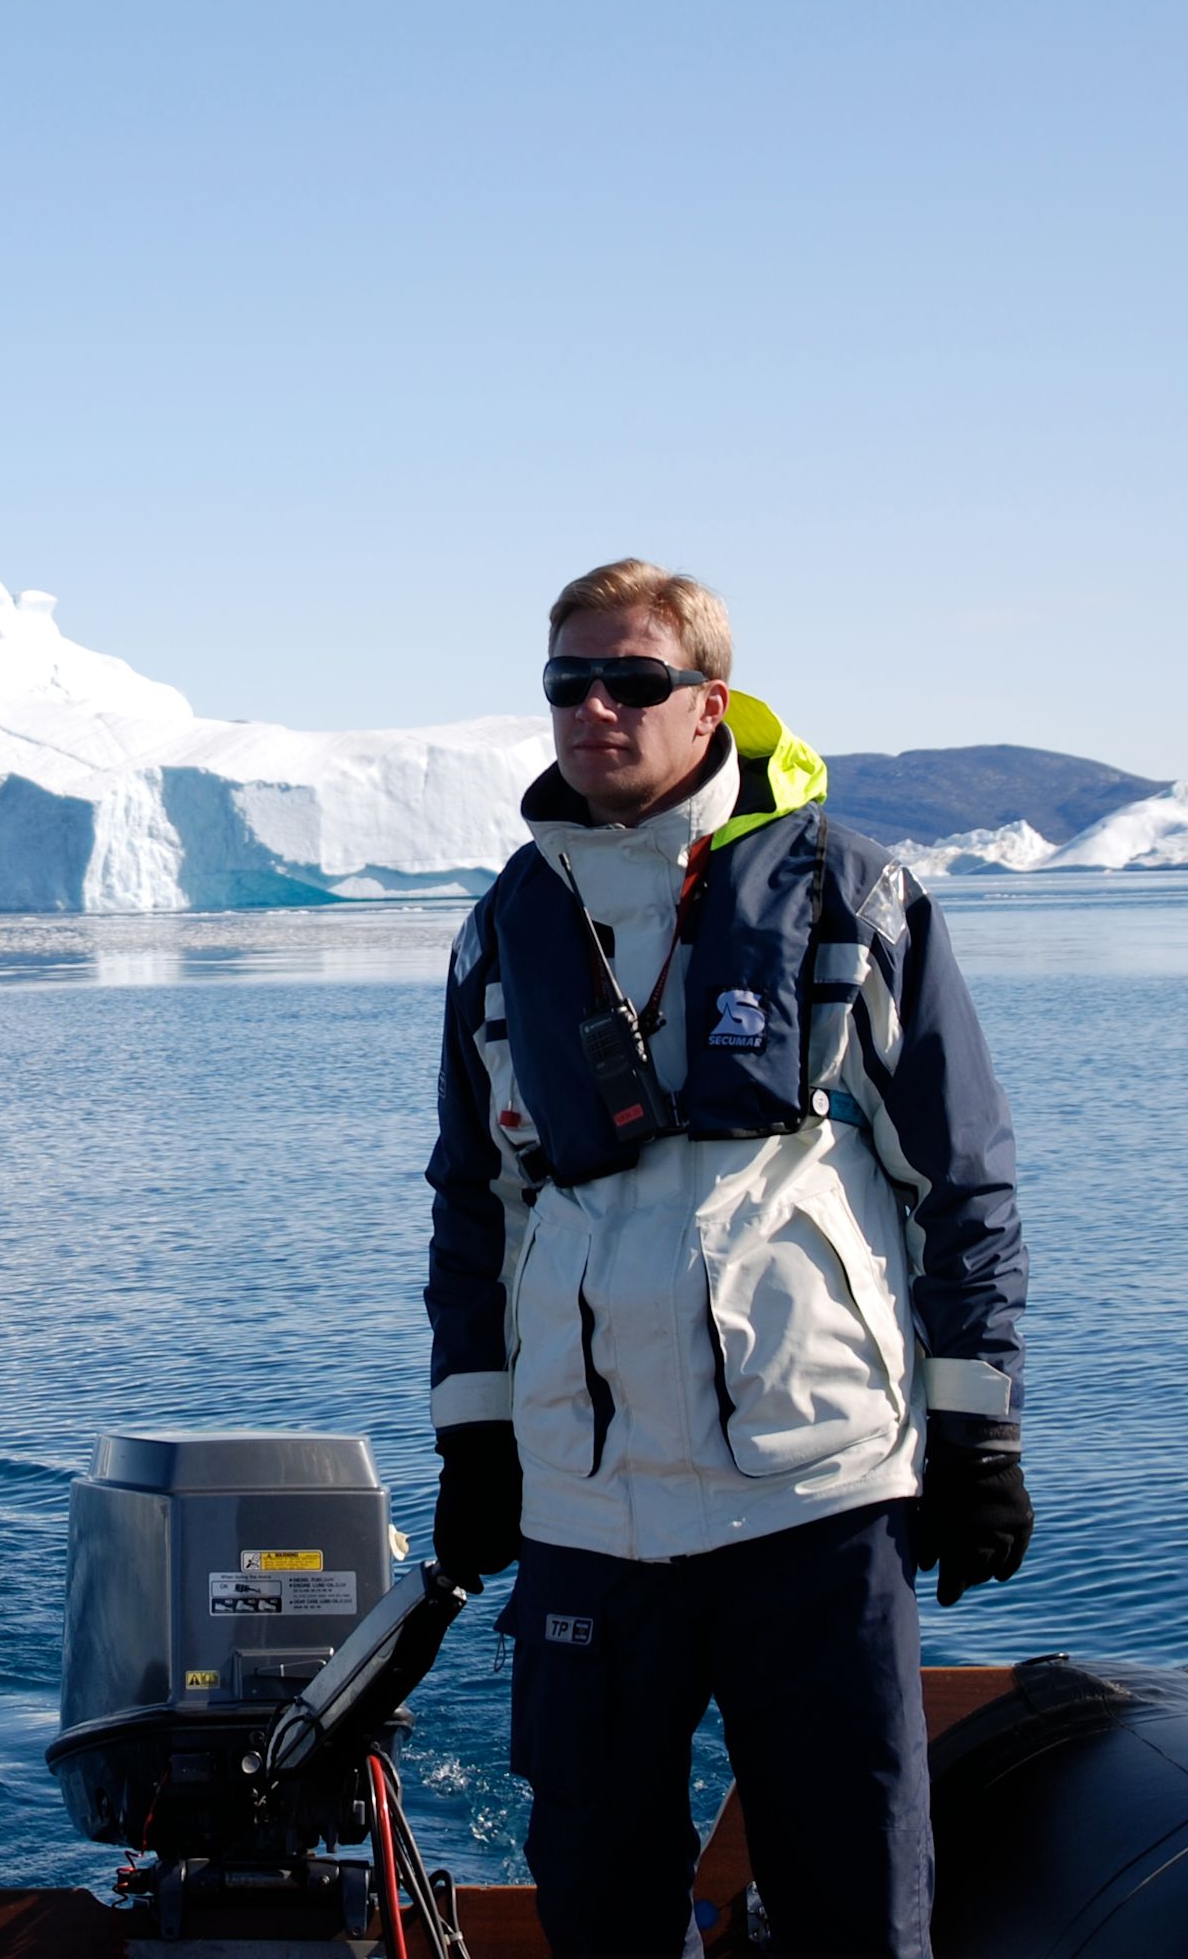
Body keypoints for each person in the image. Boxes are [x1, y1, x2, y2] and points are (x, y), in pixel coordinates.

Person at [423, 558, 1032, 1959]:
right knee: (597, 1898)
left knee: (854, 1899)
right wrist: (476, 1443)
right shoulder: (504, 934)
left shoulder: (850, 900)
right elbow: (474, 1204)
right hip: (592, 1514)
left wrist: (980, 1435)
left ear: (711, 704)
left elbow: (965, 1181)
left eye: (632, 682)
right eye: (567, 683)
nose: (594, 710)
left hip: (813, 1506)